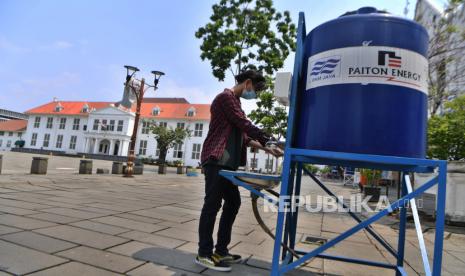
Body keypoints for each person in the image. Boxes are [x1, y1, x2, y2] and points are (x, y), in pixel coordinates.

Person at [195, 70, 283, 272]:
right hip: (216, 159)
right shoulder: (225, 98)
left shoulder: (236, 103)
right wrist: (267, 138)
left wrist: (266, 148)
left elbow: (243, 136)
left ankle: (221, 250)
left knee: (233, 202)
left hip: (227, 164)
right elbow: (244, 124)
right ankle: (204, 253)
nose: (257, 94)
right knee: (212, 205)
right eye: (257, 90)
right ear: (248, 83)